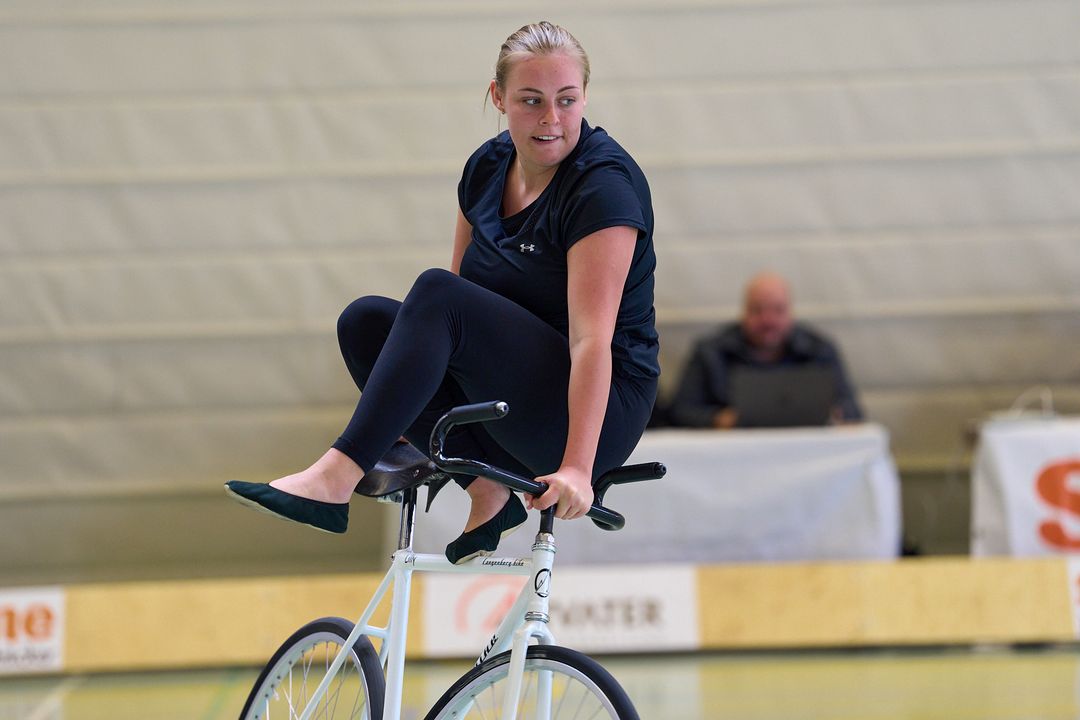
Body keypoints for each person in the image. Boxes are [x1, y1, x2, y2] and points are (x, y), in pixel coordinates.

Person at [225, 22, 659, 564]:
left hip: (595, 414)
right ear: (497, 97)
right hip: (515, 402)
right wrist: (408, 414)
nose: (551, 120)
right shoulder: (485, 168)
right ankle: (486, 489)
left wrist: (577, 466)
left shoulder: (602, 188)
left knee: (434, 292)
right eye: (531, 101)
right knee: (366, 323)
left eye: (566, 101)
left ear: (584, 99)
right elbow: (455, 309)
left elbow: (592, 342)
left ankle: (337, 477)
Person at [667, 272, 861, 429]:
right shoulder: (710, 352)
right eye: (757, 310)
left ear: (790, 312)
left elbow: (852, 410)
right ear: (743, 311)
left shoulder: (819, 351)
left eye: (778, 310)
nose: (768, 320)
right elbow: (679, 412)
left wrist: (835, 414)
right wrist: (718, 419)